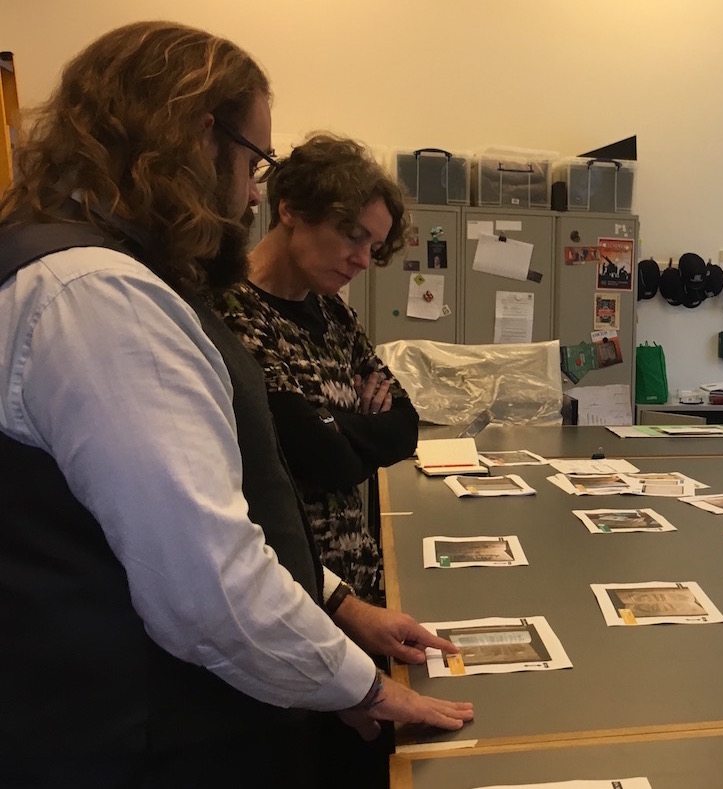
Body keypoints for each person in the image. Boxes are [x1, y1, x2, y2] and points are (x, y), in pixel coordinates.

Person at [0, 23, 472, 787]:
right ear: (194, 132)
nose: (254, 190)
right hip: (134, 738)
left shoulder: (92, 267)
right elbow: (207, 583)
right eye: (256, 161)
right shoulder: (98, 295)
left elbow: (224, 508)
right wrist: (367, 686)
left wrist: (342, 604)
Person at [217, 134, 413, 608]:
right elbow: (318, 456)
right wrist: (354, 432)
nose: (363, 260)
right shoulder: (231, 310)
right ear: (291, 209)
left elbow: (404, 426)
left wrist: (332, 426)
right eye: (353, 235)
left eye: (374, 245)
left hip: (361, 589)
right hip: (291, 597)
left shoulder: (334, 314)